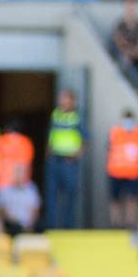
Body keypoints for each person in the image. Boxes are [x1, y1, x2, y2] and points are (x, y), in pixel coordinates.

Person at [45, 88, 84, 230]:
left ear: (72, 101)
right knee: (52, 194)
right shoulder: (56, 115)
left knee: (69, 195)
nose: (61, 101)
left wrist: (76, 155)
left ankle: (68, 227)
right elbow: (51, 136)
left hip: (69, 162)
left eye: (64, 98)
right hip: (55, 160)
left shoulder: (77, 117)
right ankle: (52, 226)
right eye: (60, 98)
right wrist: (48, 154)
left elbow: (85, 139)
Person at [106, 110, 138, 229]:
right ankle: (115, 224)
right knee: (115, 199)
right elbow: (109, 149)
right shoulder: (115, 132)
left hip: (134, 172)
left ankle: (130, 224)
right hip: (116, 171)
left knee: (132, 199)